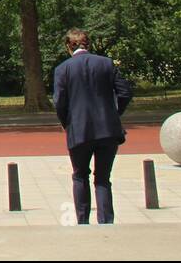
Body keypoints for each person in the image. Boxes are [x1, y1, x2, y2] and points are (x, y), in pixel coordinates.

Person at [52, 28, 133, 224]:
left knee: (80, 176)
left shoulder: (63, 69)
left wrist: (67, 124)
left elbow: (59, 102)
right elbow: (125, 92)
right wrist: (114, 114)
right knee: (103, 178)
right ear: (89, 44)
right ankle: (106, 222)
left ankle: (83, 221)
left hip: (79, 130)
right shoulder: (106, 63)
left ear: (68, 47)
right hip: (107, 130)